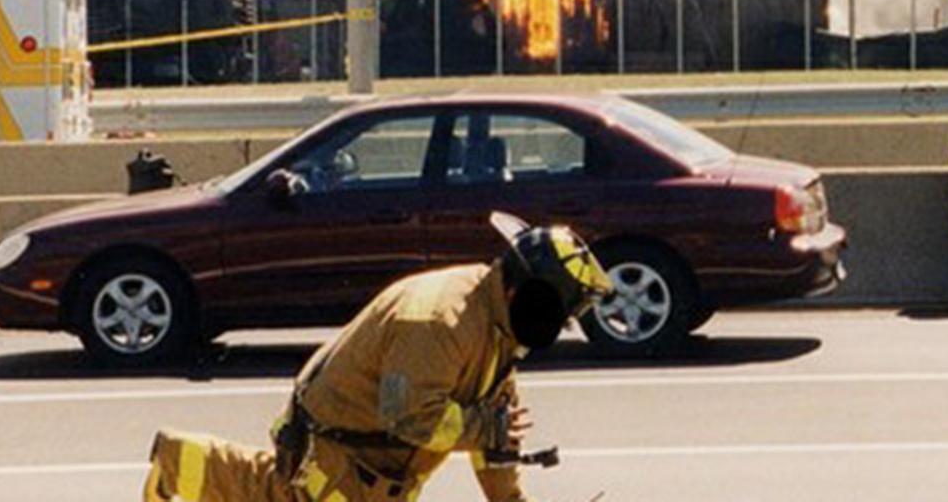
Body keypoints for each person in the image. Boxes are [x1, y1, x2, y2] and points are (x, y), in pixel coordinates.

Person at [141, 214, 611, 502]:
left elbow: (496, 430)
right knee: (277, 492)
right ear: (521, 291)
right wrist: (481, 429)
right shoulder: (438, 323)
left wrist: (510, 498)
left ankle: (178, 460)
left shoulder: (501, 332)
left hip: (380, 464)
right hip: (340, 446)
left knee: (274, 493)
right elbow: (408, 417)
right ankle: (176, 459)